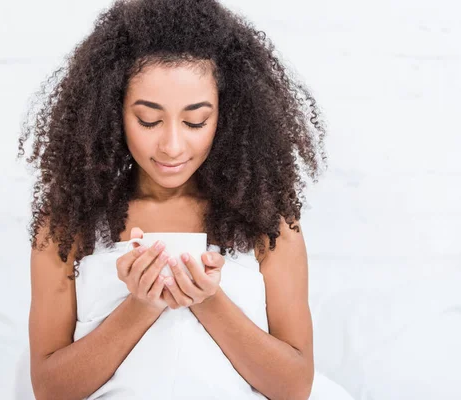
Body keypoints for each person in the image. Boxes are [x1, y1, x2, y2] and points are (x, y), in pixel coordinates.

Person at [17, 0, 327, 398]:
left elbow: (295, 387)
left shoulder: (268, 223)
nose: (172, 146)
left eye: (196, 121)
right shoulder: (67, 225)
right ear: (113, 110)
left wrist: (208, 300)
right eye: (149, 120)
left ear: (227, 114)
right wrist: (140, 306)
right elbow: (50, 390)